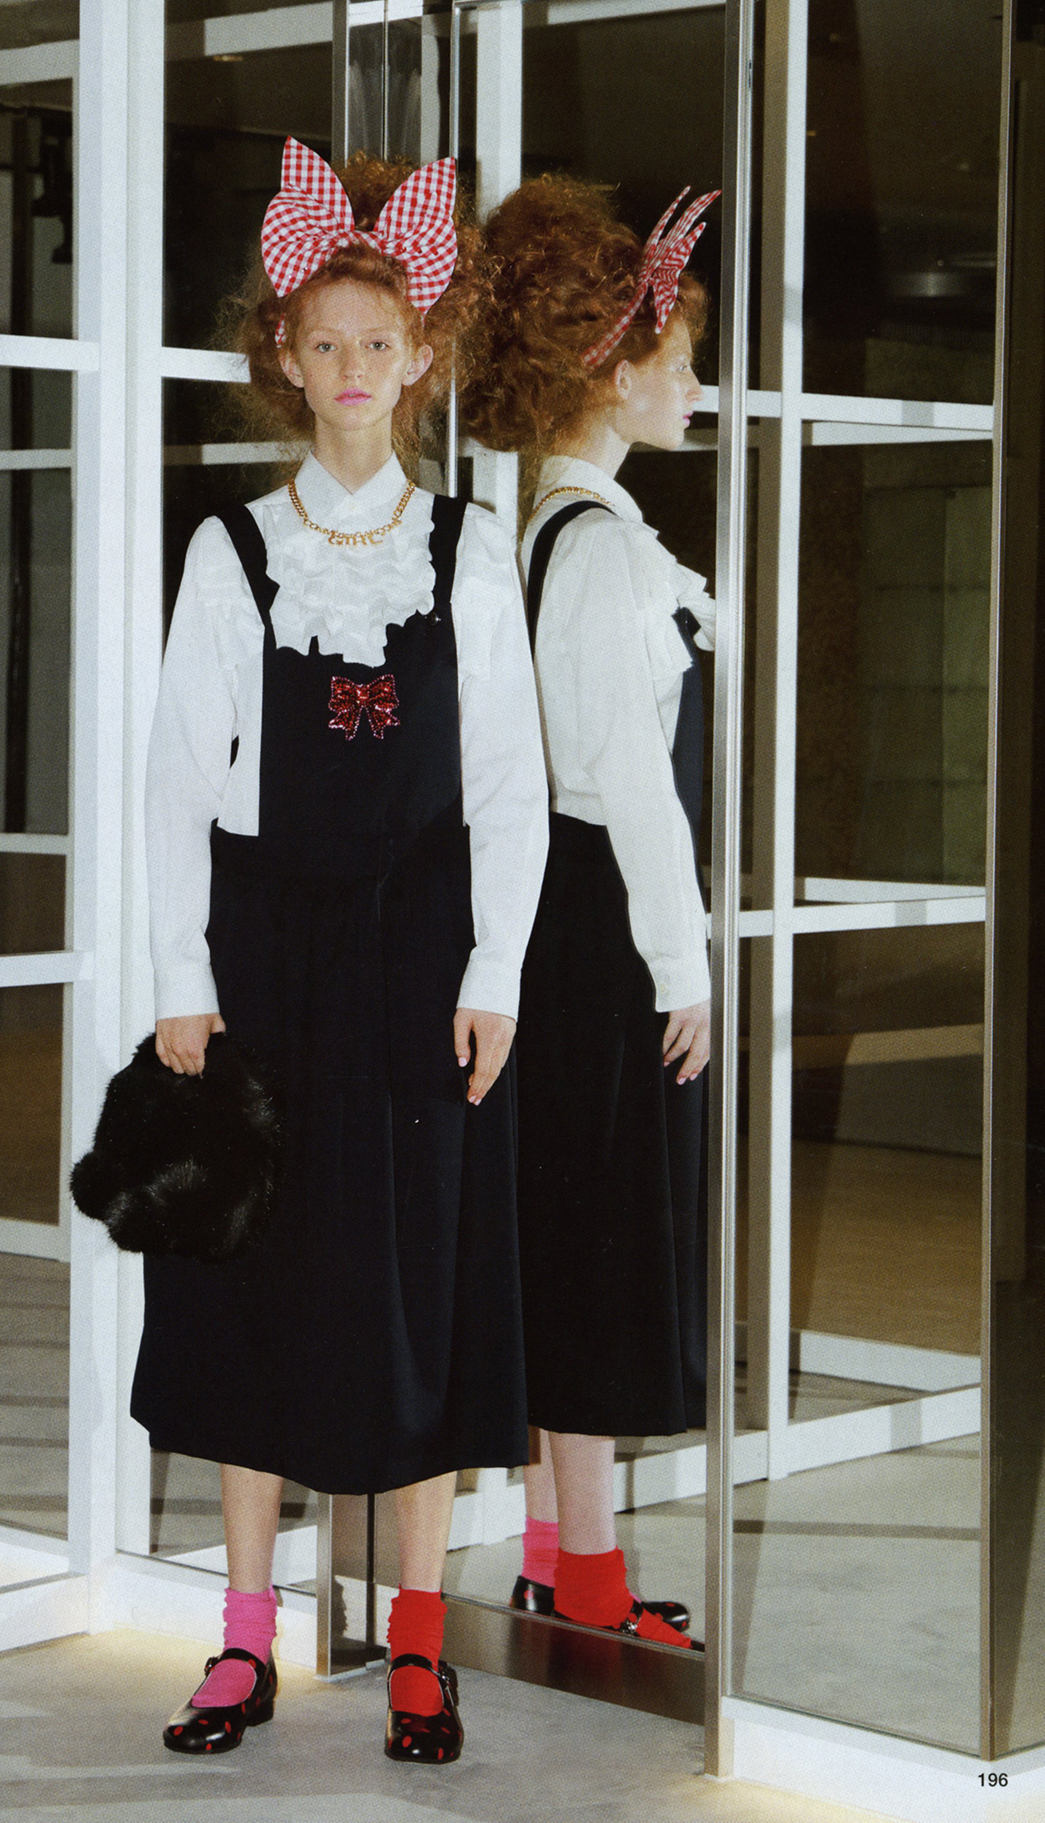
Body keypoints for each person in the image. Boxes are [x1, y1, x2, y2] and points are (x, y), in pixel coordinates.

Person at [135, 138, 548, 1762]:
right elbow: (177, 782)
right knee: (248, 1286)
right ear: (286, 358)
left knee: (416, 1288)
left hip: (421, 963)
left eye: (382, 340)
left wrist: (495, 971)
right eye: (327, 342)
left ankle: (422, 1643)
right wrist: (184, 981)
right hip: (266, 959)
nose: (356, 368)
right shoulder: (232, 553)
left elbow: (507, 785)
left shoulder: (472, 548)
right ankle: (244, 1638)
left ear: (421, 354)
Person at [463, 173, 717, 1650]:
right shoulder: (599, 548)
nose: (695, 387)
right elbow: (635, 786)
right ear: (613, 374)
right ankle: (590, 1577)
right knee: (605, 1246)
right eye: (679, 360)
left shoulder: (551, 529)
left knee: (568, 1235)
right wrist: (683, 962)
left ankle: (562, 1563)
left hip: (560, 921)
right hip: (606, 928)